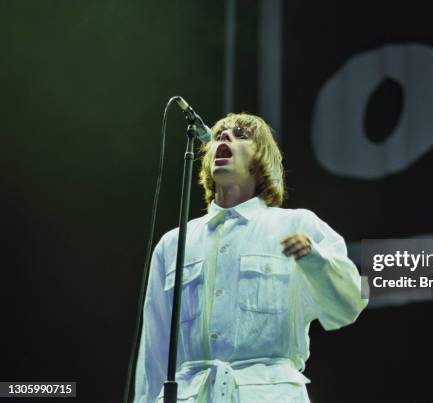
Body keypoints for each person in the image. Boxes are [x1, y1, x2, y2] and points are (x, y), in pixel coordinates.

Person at [134, 112, 367, 402]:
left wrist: (315, 259)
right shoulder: (173, 244)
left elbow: (350, 303)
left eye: (240, 135)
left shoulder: (297, 224)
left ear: (261, 161)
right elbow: (154, 351)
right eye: (219, 135)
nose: (225, 137)